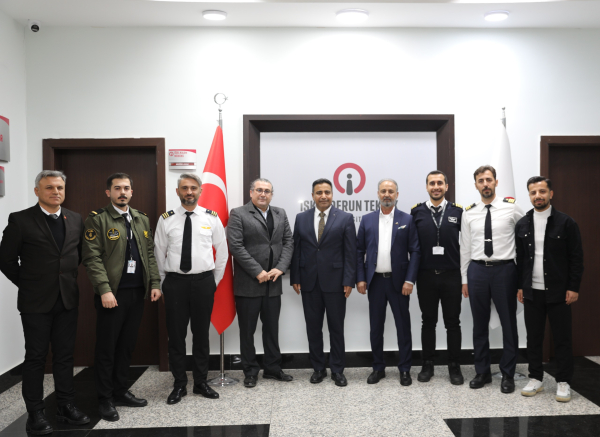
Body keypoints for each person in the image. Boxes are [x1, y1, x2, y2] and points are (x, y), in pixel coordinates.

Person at [0, 170, 89, 435]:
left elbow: (78, 255)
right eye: (49, 187)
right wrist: (29, 284)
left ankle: (65, 406)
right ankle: (36, 413)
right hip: (35, 302)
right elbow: (6, 260)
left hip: (67, 299)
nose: (56, 192)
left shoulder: (75, 218)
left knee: (64, 356)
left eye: (59, 187)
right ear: (37, 191)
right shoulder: (20, 220)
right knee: (36, 358)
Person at [82, 173, 161, 421]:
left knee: (126, 346)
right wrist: (104, 289)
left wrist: (154, 283)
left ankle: (120, 391)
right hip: (112, 294)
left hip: (137, 292)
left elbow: (149, 254)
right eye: (117, 188)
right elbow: (92, 258)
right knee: (107, 348)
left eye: (126, 188)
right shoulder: (97, 219)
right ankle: (105, 399)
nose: (122, 192)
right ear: (109, 192)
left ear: (131, 192)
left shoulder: (141, 218)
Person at [154, 173, 228, 404]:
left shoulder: (211, 218)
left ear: (200, 191)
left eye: (193, 188)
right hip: (175, 283)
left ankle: (200, 382)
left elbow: (222, 252)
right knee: (176, 336)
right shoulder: (166, 219)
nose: (189, 192)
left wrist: (213, 282)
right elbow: (158, 253)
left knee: (201, 335)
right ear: (177, 191)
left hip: (203, 282)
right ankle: (179, 384)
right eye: (185, 188)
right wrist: (164, 283)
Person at [516, 176, 583, 402]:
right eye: (533, 192)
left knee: (562, 338)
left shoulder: (566, 223)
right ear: (529, 195)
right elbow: (520, 260)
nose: (538, 196)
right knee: (534, 338)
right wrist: (520, 286)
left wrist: (573, 287)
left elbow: (576, 258)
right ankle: (536, 378)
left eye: (542, 191)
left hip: (558, 292)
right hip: (531, 291)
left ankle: (563, 382)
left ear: (550, 194)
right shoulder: (522, 224)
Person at [460, 165, 524, 393]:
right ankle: (482, 372)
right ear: (476, 185)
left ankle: (508, 374)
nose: (485, 184)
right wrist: (464, 278)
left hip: (505, 270)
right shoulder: (469, 212)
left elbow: (524, 240)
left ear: (496, 182)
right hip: (477, 270)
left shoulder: (512, 208)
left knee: (508, 323)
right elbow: (465, 247)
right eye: (481, 181)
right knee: (479, 324)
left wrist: (522, 279)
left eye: (488, 179)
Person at [227, 178, 294, 388]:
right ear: (251, 192)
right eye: (259, 190)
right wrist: (257, 271)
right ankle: (250, 371)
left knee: (272, 329)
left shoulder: (280, 213)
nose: (263, 194)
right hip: (248, 284)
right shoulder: (238, 213)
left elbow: (288, 242)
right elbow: (235, 246)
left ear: (271, 194)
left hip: (273, 283)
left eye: (267, 191)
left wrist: (280, 268)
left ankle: (273, 368)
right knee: (247, 331)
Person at [290, 178, 357, 387]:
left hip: (336, 283)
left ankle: (337, 370)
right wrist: (295, 277)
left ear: (332, 194)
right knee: (313, 328)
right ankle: (318, 368)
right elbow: (296, 249)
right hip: (309, 282)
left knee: (336, 328)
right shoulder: (301, 218)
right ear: (312, 196)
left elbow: (350, 253)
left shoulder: (345, 218)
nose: (323, 196)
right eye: (319, 192)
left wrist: (349, 280)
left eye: (327, 192)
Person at [356, 179, 420, 386]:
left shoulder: (407, 220)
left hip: (399, 283)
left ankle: (405, 369)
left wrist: (409, 280)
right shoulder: (367, 220)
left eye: (391, 191)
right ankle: (378, 367)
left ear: (397, 195)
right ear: (378, 193)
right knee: (376, 327)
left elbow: (415, 251)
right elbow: (359, 251)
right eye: (383, 191)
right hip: (375, 282)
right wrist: (361, 278)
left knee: (403, 327)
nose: (387, 194)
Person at [411, 170, 464, 385]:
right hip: (426, 276)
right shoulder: (416, 212)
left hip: (452, 276)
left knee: (453, 322)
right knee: (428, 322)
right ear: (427, 187)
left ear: (446, 187)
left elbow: (466, 245)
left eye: (440, 183)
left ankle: (454, 365)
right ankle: (427, 364)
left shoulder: (458, 211)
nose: (436, 187)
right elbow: (412, 247)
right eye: (432, 183)